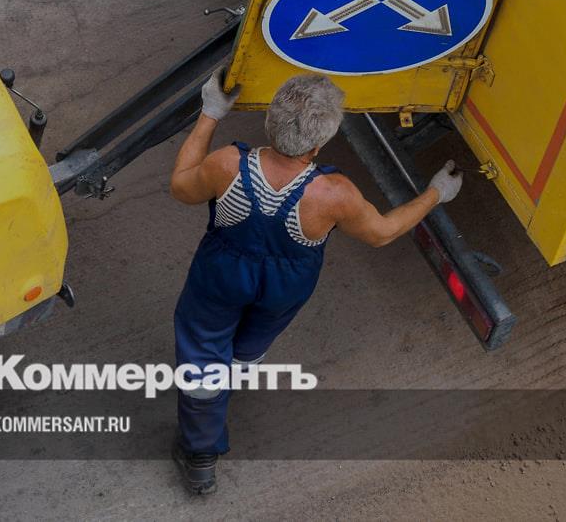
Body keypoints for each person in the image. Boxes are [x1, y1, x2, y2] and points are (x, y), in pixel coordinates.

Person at [168, 72, 463, 494]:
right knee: (253, 341)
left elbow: (181, 187)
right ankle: (238, 370)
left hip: (220, 276)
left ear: (269, 122)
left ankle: (200, 454)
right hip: (286, 288)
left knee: (202, 349)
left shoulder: (228, 164)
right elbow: (382, 233)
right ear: (317, 146)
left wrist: (211, 113)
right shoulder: (334, 194)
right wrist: (436, 193)